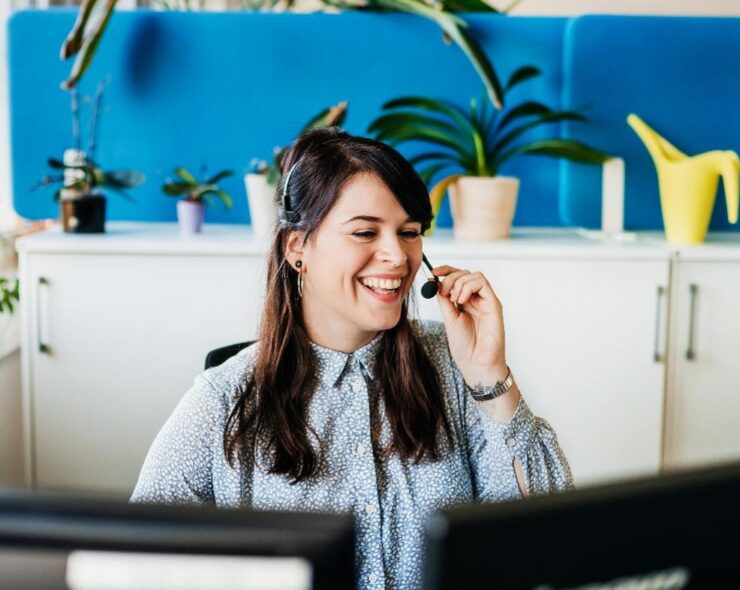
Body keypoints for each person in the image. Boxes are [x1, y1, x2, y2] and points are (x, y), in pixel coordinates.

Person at [131, 128, 573, 590]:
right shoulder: (224, 400)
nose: (397, 257)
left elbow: (551, 540)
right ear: (297, 247)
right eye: (365, 231)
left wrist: (490, 379)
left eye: (409, 232)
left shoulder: (455, 365)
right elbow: (139, 566)